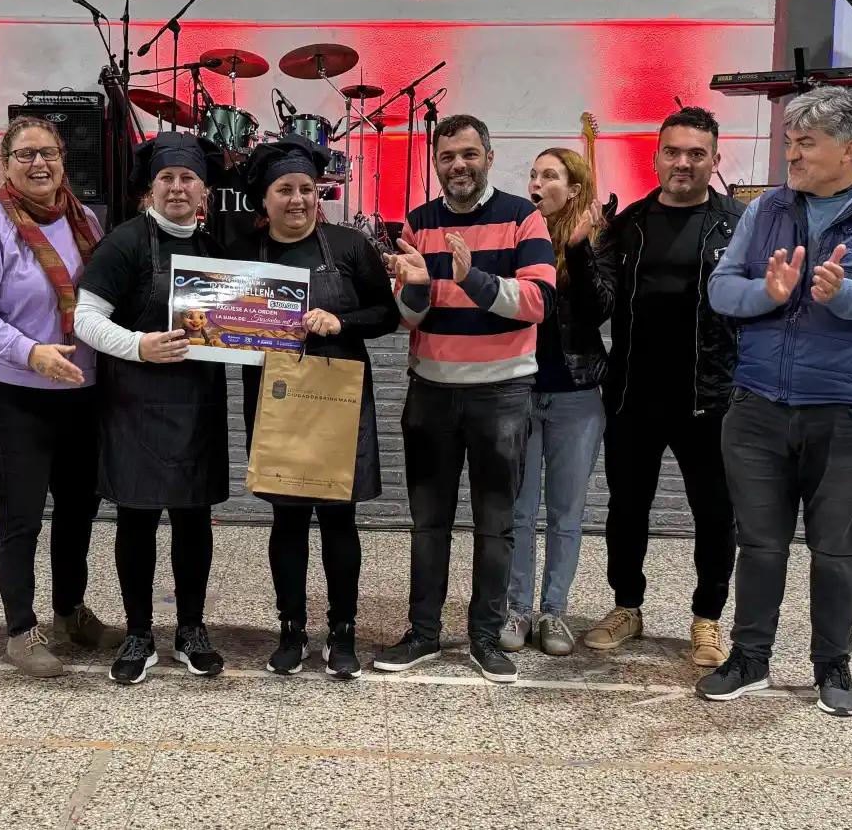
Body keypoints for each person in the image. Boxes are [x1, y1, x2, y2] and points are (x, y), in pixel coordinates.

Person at [699, 87, 852, 717]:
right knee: (760, 542)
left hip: (848, 410)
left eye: (806, 143)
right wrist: (770, 294)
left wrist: (847, 294)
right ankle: (749, 659)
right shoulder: (765, 209)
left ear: (850, 149)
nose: (791, 155)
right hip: (759, 406)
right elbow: (722, 291)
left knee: (836, 547)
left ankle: (833, 666)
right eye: (788, 142)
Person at [373, 114, 556, 684]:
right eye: (448, 156)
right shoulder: (419, 224)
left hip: (501, 393)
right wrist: (418, 285)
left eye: (469, 154)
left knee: (496, 525)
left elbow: (537, 301)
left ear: (489, 156)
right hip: (431, 392)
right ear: (436, 161)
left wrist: (471, 278)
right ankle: (424, 633)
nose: (459, 165)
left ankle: (484, 638)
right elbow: (409, 318)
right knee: (428, 524)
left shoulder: (523, 218)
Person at [570, 107, 742, 668]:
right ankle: (627, 606)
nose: (684, 163)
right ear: (657, 156)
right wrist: (580, 248)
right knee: (627, 507)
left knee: (714, 510)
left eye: (697, 154)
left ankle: (708, 617)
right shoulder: (629, 225)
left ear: (715, 160)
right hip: (631, 394)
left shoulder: (738, 225)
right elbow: (599, 308)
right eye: (674, 151)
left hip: (708, 395)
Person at [0, 116, 122, 677]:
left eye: (47, 153)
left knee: (78, 509)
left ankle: (70, 611)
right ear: (6, 165)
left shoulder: (85, 220)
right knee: (22, 514)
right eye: (24, 155)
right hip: (15, 394)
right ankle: (21, 630)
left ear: (62, 160)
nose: (39, 164)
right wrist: (31, 352)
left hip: (83, 392)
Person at [228, 136, 400, 679]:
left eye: (307, 188)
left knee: (339, 519)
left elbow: (387, 315)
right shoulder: (245, 253)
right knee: (287, 519)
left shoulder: (349, 246)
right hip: (275, 399)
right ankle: (291, 629)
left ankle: (342, 630)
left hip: (337, 400)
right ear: (264, 198)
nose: (298, 199)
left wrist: (341, 322)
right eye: (285, 190)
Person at [75, 132, 229, 686]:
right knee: (135, 521)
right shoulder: (124, 243)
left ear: (204, 191)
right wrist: (139, 345)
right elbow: (86, 319)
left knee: (194, 522)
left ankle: (191, 628)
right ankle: (139, 631)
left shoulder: (216, 250)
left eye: (187, 178)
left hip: (198, 405)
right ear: (151, 188)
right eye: (167, 179)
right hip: (134, 404)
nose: (177, 188)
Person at [500, 147, 607, 657]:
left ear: (575, 188)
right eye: (533, 173)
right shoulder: (518, 233)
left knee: (566, 512)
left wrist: (582, 249)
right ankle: (517, 607)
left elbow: (599, 309)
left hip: (576, 395)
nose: (537, 183)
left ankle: (554, 612)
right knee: (518, 511)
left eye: (550, 175)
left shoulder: (599, 240)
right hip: (520, 389)